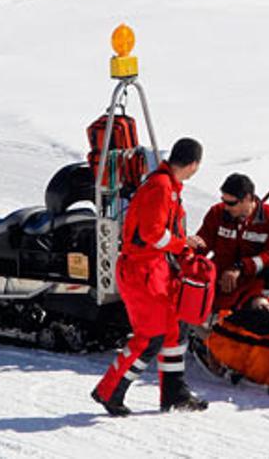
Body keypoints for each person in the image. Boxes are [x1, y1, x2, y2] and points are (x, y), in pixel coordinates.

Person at [91, 137, 208, 416]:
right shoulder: (160, 187)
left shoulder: (168, 186)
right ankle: (109, 391)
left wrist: (183, 250)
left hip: (155, 269)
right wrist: (183, 244)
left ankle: (174, 392)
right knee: (149, 336)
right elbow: (152, 234)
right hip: (141, 271)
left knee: (173, 331)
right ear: (193, 165)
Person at [191, 173, 269, 314]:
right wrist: (188, 252)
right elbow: (202, 243)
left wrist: (241, 267)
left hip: (252, 281)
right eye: (223, 201)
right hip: (220, 281)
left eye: (231, 203)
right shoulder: (217, 213)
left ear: (248, 199)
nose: (226, 207)